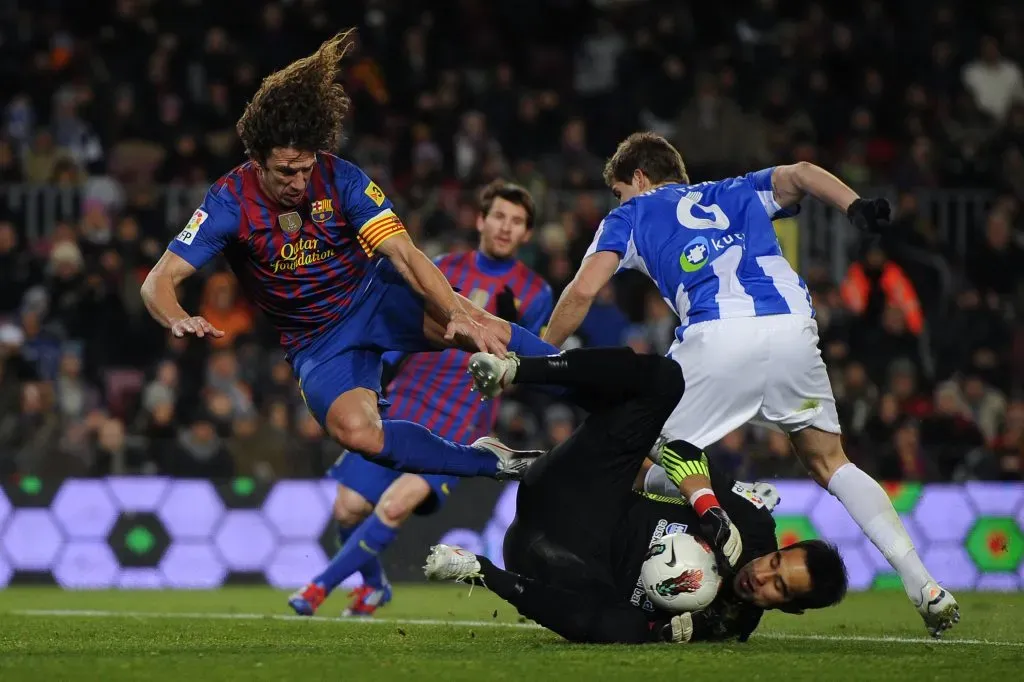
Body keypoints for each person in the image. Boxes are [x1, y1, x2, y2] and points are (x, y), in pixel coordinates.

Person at [474, 132, 959, 637]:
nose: (616, 201)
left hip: (717, 336)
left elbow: (583, 290)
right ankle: (923, 583)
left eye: (618, 191)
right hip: (792, 327)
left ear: (638, 178)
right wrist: (854, 205)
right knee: (831, 462)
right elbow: (802, 173)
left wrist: (543, 359)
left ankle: (730, 496)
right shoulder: (736, 190)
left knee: (641, 448)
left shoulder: (632, 215)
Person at [140, 32, 557, 483]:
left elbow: (403, 253)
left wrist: (456, 312)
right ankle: (491, 460)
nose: (299, 182)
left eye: (305, 168)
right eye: (285, 172)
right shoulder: (228, 203)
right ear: (257, 161)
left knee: (487, 330)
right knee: (358, 434)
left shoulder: (342, 179)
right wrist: (177, 316)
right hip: (317, 340)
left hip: (376, 297)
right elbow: (157, 282)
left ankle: (596, 386)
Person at [426, 347, 848, 644]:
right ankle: (514, 371)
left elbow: (670, 630)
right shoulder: (753, 526)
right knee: (666, 379)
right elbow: (681, 452)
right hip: (576, 497)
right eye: (776, 563)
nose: (762, 575)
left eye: (780, 587)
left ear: (789, 608)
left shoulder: (732, 623)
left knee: (626, 632)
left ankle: (477, 570)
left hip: (557, 568)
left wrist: (665, 635)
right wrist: (710, 506)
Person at [289, 180, 552, 616]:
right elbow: (392, 327)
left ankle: (316, 588)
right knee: (348, 508)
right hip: (405, 401)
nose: (507, 228)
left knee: (395, 504)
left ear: (527, 234)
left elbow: (528, 356)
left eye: (518, 222)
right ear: (481, 220)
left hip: (460, 418)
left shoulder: (535, 292)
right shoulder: (442, 267)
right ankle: (373, 587)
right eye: (500, 216)